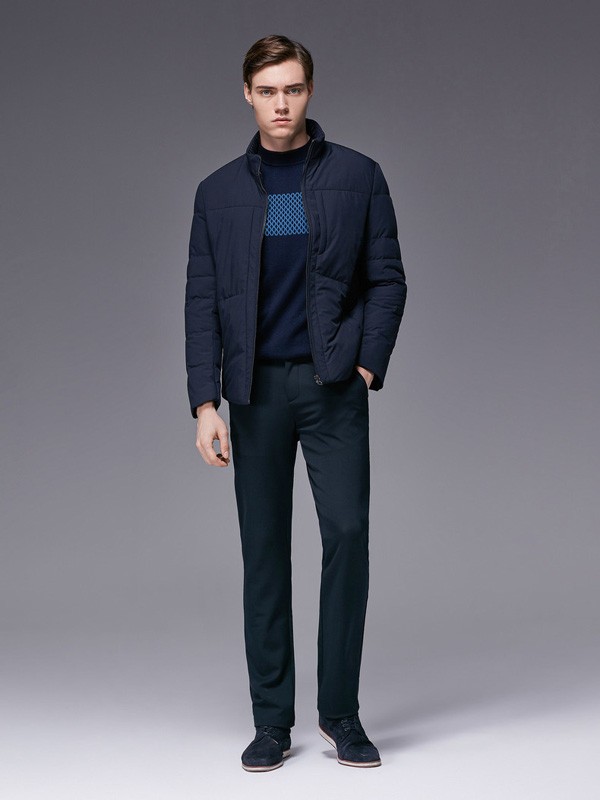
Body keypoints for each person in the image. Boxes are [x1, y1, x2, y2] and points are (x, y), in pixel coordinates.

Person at [184, 34, 407, 772]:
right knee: (264, 551)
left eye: (293, 89)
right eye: (268, 91)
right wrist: (204, 403)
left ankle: (340, 714)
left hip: (332, 385)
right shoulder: (217, 192)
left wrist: (366, 365)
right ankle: (271, 722)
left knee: (347, 534)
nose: (281, 104)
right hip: (254, 393)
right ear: (247, 95)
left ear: (310, 91)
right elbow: (202, 301)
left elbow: (387, 278)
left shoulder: (357, 176)